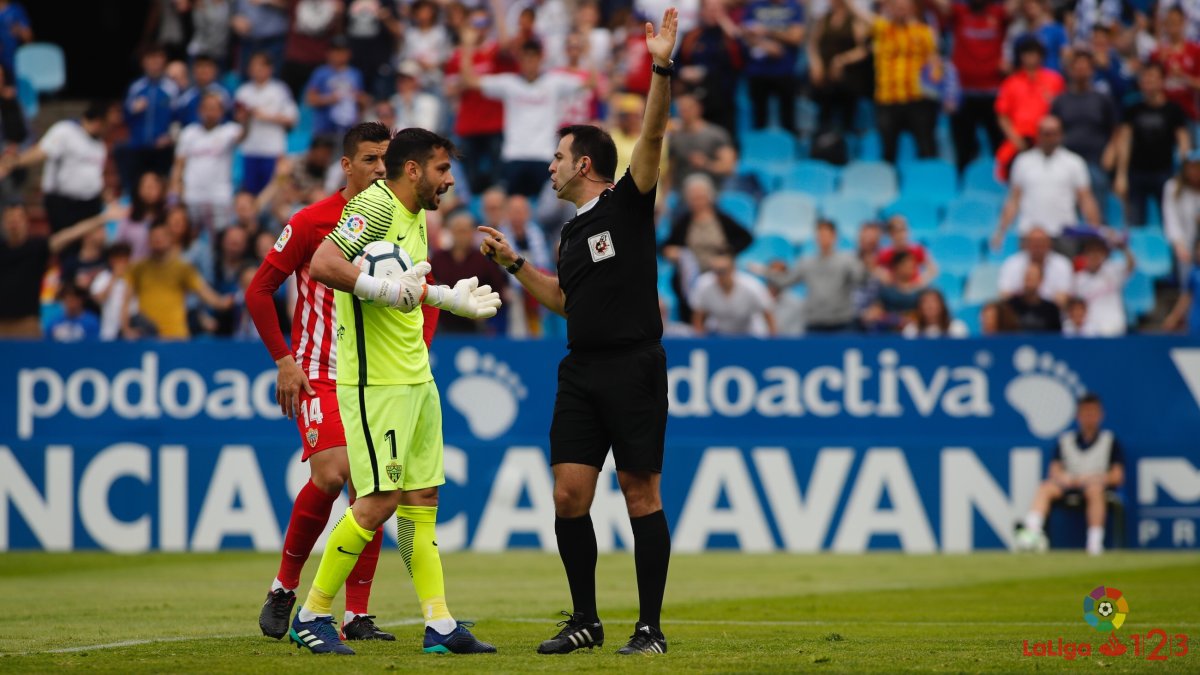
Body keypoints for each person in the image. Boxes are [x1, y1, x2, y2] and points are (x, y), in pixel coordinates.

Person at [478, 7, 679, 656]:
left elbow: (652, 135)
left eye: (558, 156)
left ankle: (649, 628)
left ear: (585, 163)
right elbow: (566, 301)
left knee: (639, 491)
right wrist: (514, 265)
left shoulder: (628, 202)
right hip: (580, 367)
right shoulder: (569, 233)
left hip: (633, 364)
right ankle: (586, 620)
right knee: (568, 494)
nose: (550, 166)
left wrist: (661, 68)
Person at [291, 127, 501, 656]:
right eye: (442, 170)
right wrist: (382, 289)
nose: (449, 181)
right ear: (413, 170)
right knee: (379, 501)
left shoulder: (417, 214)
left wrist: (447, 299)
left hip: (416, 377)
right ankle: (312, 614)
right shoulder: (376, 205)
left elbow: (406, 287)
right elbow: (324, 264)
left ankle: (440, 624)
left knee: (422, 499)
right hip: (376, 383)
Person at [245, 122, 431, 643]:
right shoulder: (312, 221)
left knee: (373, 488)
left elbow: (426, 291)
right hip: (320, 373)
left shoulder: (404, 217)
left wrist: (418, 351)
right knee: (332, 475)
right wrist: (284, 360)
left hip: (377, 375)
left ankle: (357, 615)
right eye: (370, 159)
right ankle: (284, 587)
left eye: (386, 160)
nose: (380, 169)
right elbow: (259, 291)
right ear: (346, 165)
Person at [459, 35, 590, 197]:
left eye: (533, 58)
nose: (529, 63)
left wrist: (587, 52)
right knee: (511, 205)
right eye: (525, 58)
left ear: (540, 59)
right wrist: (467, 47)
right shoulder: (509, 83)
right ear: (520, 60)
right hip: (514, 155)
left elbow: (590, 83)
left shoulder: (553, 82)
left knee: (548, 206)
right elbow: (470, 81)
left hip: (544, 156)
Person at [1016, 393, 1125, 555]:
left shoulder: (1110, 441)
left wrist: (1096, 479)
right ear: (1078, 415)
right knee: (1045, 488)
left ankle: (1094, 543)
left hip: (1095, 486)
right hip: (1069, 485)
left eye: (1093, 412)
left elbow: (1117, 476)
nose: (1089, 417)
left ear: (1100, 415)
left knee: (1095, 491)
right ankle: (1032, 533)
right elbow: (1054, 470)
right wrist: (1066, 478)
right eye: (1085, 412)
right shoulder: (1065, 440)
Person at [0, 204, 120, 338]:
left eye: (18, 218)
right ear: (3, 223)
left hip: (27, 322)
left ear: (26, 221)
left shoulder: (37, 247)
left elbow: (71, 233)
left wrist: (102, 218)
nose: (14, 223)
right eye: (10, 219)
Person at [847, 0, 938, 163]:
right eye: (896, 7)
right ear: (889, 8)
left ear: (912, 8)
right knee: (888, 151)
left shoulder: (925, 32)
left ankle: (927, 177)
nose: (900, 10)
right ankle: (889, 178)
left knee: (926, 147)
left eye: (904, 7)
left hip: (918, 98)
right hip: (887, 98)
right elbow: (857, 12)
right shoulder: (882, 28)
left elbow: (935, 65)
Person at [0, 101, 108, 234]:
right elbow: (41, 152)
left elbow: (97, 175)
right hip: (64, 202)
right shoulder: (66, 131)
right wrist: (13, 162)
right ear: (98, 121)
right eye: (107, 125)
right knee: (65, 240)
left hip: (90, 202)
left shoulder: (100, 145)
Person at [994, 116, 1101, 245]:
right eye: (1046, 134)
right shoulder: (1023, 161)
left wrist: (1096, 231)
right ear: (1038, 135)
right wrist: (1001, 231)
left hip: (1064, 234)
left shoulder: (1074, 163)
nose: (1050, 138)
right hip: (1030, 234)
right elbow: (1014, 199)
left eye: (1054, 133)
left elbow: (1085, 198)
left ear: (1061, 135)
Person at [661, 173, 752, 323]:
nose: (698, 202)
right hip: (691, 277)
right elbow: (666, 245)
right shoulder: (684, 221)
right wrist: (672, 252)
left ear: (710, 197)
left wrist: (727, 253)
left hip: (717, 274)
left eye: (701, 197)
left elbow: (746, 238)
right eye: (694, 198)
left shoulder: (722, 219)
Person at [120, 221, 233, 339]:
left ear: (170, 239)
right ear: (148, 240)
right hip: (148, 336)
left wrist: (223, 302)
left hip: (177, 336)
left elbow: (204, 292)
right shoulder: (138, 268)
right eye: (154, 236)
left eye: (162, 236)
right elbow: (125, 301)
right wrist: (126, 329)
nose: (158, 240)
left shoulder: (182, 268)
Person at [1115, 62, 1192, 227]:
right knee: (1134, 224)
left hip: (1164, 172)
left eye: (1153, 78)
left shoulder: (1174, 110)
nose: (1148, 82)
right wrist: (1121, 175)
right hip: (1136, 173)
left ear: (1162, 81)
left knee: (1170, 222)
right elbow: (1124, 141)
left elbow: (1183, 143)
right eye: (1145, 78)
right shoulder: (1132, 109)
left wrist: (1183, 173)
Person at [938, 0, 1008, 172]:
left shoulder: (999, 14)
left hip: (993, 93)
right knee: (963, 148)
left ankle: (1001, 181)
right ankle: (962, 181)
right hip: (963, 94)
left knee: (999, 146)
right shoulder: (958, 12)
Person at [761, 219, 864, 332]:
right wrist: (766, 272)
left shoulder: (847, 261)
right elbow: (785, 281)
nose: (823, 239)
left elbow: (861, 280)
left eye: (826, 235)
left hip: (842, 323)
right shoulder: (806, 262)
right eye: (820, 235)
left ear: (834, 236)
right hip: (815, 323)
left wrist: (864, 268)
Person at [1050, 51, 1118, 210]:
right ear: (1070, 71)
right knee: (1066, 214)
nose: (1081, 71)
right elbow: (1053, 129)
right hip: (1066, 165)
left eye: (1085, 67)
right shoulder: (1060, 101)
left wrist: (1111, 152)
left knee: (1097, 213)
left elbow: (1116, 129)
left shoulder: (1102, 99)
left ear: (1092, 71)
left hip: (1096, 163)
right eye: (1077, 67)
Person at [171, 93, 245, 237]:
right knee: (191, 235)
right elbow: (179, 165)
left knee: (220, 237)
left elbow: (243, 136)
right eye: (207, 108)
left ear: (221, 112)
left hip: (220, 196)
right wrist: (175, 191)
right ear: (200, 110)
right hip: (192, 195)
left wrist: (245, 121)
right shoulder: (189, 133)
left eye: (214, 108)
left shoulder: (229, 131)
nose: (210, 112)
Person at [994, 38, 1064, 180]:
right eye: (1027, 53)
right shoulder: (1011, 83)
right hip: (1018, 143)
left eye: (1034, 53)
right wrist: (1016, 140)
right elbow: (1002, 115)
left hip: (1048, 142)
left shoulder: (1055, 80)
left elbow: (1062, 112)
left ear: (1041, 56)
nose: (1030, 57)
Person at [429, 209, 508, 335]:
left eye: (465, 231)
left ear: (472, 233)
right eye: (458, 231)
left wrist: (485, 309)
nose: (461, 236)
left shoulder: (484, 259)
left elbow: (499, 290)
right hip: (443, 323)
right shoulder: (438, 259)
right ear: (451, 232)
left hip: (476, 322)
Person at [235, 53, 298, 195]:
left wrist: (266, 116)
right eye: (254, 66)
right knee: (250, 192)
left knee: (271, 192)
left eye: (261, 66)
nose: (257, 70)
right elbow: (238, 119)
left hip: (272, 149)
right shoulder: (243, 92)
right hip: (250, 148)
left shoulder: (280, 90)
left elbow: (292, 118)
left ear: (270, 69)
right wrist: (244, 117)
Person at [807, 0, 871, 137]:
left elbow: (863, 49)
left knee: (847, 117)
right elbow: (813, 44)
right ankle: (823, 143)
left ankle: (846, 142)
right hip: (825, 75)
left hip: (849, 75)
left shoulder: (853, 19)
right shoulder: (824, 18)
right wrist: (816, 64)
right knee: (824, 115)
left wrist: (841, 60)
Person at [741, 0, 805, 134]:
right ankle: (759, 145)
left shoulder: (794, 7)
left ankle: (791, 145)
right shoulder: (755, 6)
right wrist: (766, 46)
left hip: (784, 70)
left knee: (788, 119)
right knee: (759, 119)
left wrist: (767, 31)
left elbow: (796, 37)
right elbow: (745, 33)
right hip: (758, 70)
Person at [122, 45, 178, 188]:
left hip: (162, 149)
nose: (154, 63)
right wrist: (133, 109)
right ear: (144, 62)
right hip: (138, 146)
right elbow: (124, 116)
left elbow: (178, 118)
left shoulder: (171, 88)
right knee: (137, 186)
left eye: (158, 58)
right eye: (150, 59)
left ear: (164, 61)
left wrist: (170, 137)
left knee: (162, 185)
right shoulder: (136, 88)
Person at [690, 253, 776, 336]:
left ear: (733, 269)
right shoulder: (703, 284)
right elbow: (698, 314)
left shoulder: (752, 286)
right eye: (715, 271)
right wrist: (699, 339)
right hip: (719, 333)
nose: (719, 275)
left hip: (749, 332)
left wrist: (772, 340)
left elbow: (767, 311)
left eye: (722, 271)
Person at [668, 93, 737, 190]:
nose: (684, 112)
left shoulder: (716, 134)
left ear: (699, 108)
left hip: (712, 189)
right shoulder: (674, 137)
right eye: (681, 109)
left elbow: (729, 167)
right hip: (681, 190)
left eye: (688, 108)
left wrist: (706, 164)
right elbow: (669, 169)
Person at [1071, 235, 1134, 336]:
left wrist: (1123, 248)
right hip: (1090, 330)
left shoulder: (1113, 270)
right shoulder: (1078, 279)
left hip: (1115, 327)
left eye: (1097, 252)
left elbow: (1131, 265)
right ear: (1084, 256)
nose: (1094, 256)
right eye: (1090, 252)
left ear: (1103, 255)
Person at [305, 38, 365, 138]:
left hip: (348, 128)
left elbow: (361, 102)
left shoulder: (355, 74)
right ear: (329, 53)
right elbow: (310, 99)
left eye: (342, 51)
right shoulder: (321, 73)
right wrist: (330, 99)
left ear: (348, 53)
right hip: (324, 128)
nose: (339, 55)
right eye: (335, 51)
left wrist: (357, 99)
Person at [997, 226, 1073, 300]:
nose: (1038, 248)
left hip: (1051, 307)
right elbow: (1005, 294)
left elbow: (1063, 297)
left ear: (1049, 244)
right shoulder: (1012, 263)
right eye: (1034, 243)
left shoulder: (1062, 264)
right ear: (1026, 244)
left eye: (1041, 243)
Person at [1164, 152, 1200, 280]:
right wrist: (1178, 244)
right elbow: (1171, 219)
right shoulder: (1172, 187)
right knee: (1185, 266)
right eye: (1192, 167)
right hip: (1184, 244)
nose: (1195, 171)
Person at [174, 55, 232, 127]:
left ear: (215, 70)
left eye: (207, 66)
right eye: (200, 66)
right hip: (192, 132)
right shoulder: (187, 96)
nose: (203, 70)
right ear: (193, 70)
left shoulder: (225, 94)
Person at [1005, 264, 1062, 332]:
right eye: (1027, 277)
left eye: (1032, 278)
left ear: (1041, 280)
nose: (1029, 283)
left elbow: (1057, 335)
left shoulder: (1051, 310)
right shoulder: (1010, 306)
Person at [391, 60, 442, 132]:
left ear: (416, 81)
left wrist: (409, 105)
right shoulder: (393, 100)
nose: (401, 83)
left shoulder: (429, 101)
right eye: (399, 79)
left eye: (407, 79)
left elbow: (427, 129)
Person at [1165, 239, 1200, 333]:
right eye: (1198, 249)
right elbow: (1186, 298)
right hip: (1196, 320)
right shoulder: (1193, 272)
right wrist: (1174, 317)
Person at [903, 288, 968, 337]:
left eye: (934, 302)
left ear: (942, 305)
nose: (930, 306)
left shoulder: (956, 327)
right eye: (925, 302)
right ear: (919, 308)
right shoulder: (911, 330)